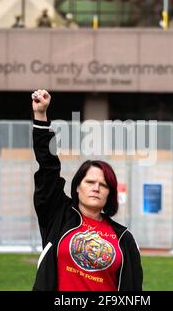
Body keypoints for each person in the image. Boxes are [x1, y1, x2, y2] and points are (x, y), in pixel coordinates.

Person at [31, 89, 143, 291]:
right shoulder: (58, 215)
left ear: (110, 193)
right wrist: (41, 116)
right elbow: (48, 169)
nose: (96, 188)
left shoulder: (124, 238)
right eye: (90, 182)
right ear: (77, 187)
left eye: (103, 184)